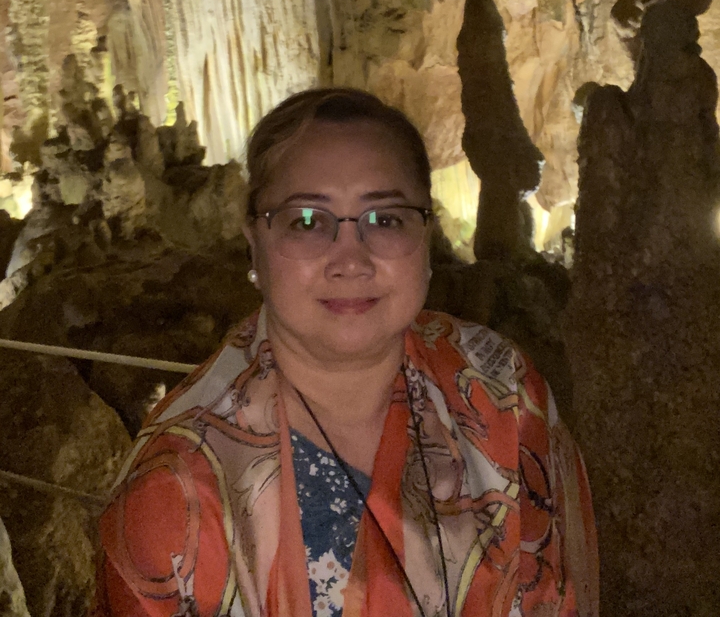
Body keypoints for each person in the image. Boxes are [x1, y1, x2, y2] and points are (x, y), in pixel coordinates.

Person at [95, 88, 598, 617]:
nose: (350, 260)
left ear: (426, 234)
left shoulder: (505, 392)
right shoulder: (175, 494)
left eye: (386, 219)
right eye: (307, 221)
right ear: (254, 243)